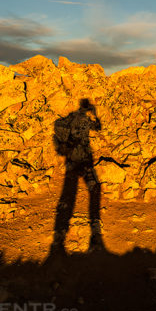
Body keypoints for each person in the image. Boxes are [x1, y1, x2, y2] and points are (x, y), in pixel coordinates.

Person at [50, 98, 104, 256]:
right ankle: (90, 225)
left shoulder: (73, 119)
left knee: (72, 189)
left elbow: (96, 128)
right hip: (82, 158)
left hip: (76, 158)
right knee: (89, 188)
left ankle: (64, 227)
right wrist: (95, 114)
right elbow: (98, 128)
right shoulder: (83, 120)